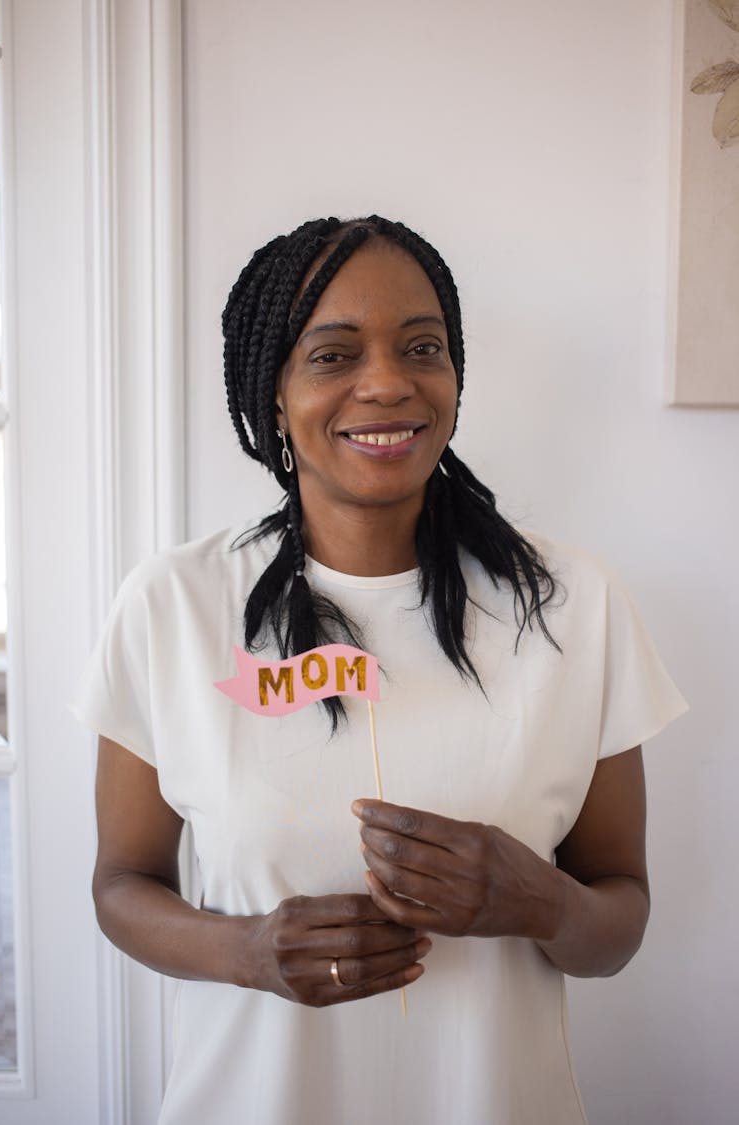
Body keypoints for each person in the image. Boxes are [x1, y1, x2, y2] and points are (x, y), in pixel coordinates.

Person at [72, 216, 687, 1124]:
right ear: (270, 390)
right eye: (332, 355)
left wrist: (538, 899)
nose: (389, 383)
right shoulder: (173, 606)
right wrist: (248, 950)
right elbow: (122, 885)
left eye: (422, 348)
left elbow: (617, 924)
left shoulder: (575, 609)